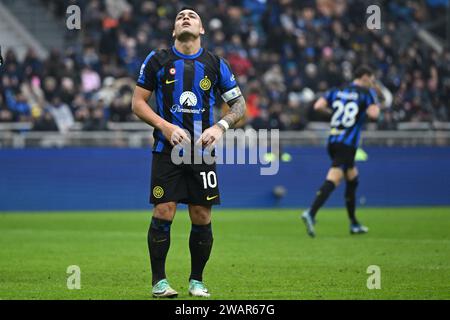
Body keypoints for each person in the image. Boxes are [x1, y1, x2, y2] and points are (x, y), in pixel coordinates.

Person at [131, 7, 246, 298]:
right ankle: (159, 282)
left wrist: (220, 127)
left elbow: (239, 106)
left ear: (202, 29)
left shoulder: (216, 64)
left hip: (201, 154)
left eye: (192, 16)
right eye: (180, 16)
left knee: (201, 215)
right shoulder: (157, 59)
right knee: (164, 210)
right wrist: (165, 126)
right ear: (173, 30)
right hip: (165, 150)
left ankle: (197, 281)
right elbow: (138, 103)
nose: (185, 17)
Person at [301, 65, 380, 237]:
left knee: (352, 179)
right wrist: (369, 108)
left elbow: (318, 106)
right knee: (334, 179)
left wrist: (334, 115)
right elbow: (374, 115)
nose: (373, 82)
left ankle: (354, 223)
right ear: (365, 76)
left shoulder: (337, 90)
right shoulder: (366, 94)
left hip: (333, 140)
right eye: (372, 79)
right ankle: (311, 212)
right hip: (347, 144)